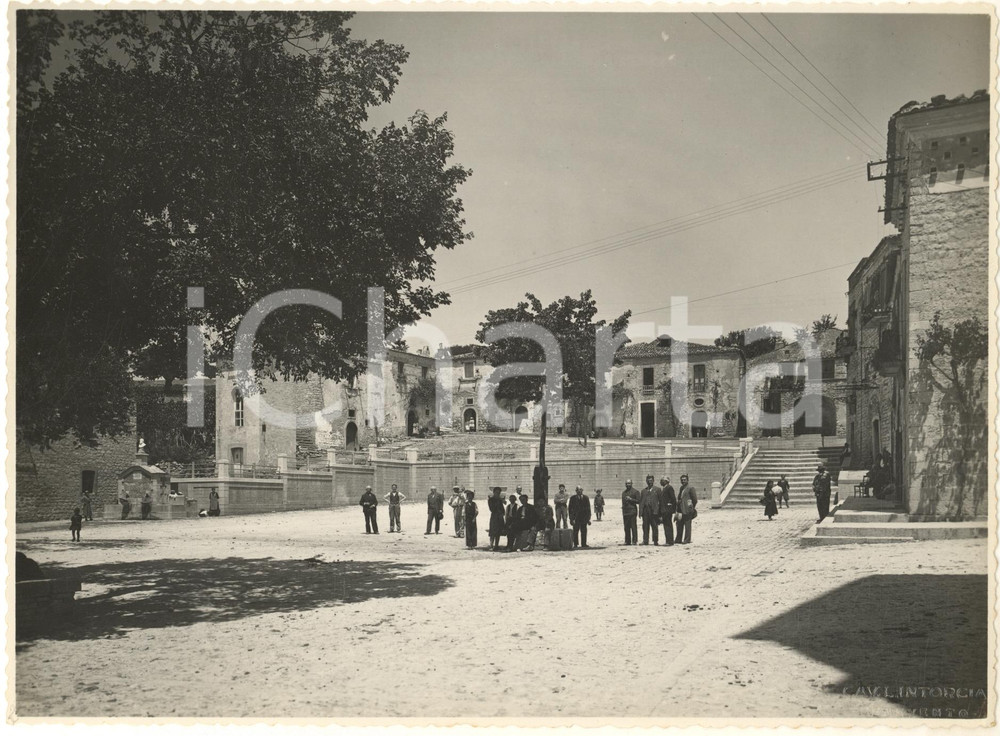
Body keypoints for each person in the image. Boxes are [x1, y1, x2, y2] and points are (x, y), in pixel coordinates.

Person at [639, 474, 661, 545]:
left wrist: (659, 512)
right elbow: (641, 502)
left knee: (654, 526)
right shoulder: (643, 491)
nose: (649, 482)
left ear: (653, 481)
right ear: (646, 481)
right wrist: (640, 512)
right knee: (645, 526)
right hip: (645, 511)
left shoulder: (657, 490)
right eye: (648, 481)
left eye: (651, 480)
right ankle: (645, 540)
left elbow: (660, 501)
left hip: (654, 511)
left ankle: (655, 541)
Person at [675, 475, 697, 544]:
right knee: (679, 524)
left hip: (687, 510)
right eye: (682, 480)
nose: (683, 481)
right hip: (680, 509)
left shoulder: (691, 488)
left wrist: (691, 507)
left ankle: (687, 539)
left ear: (687, 480)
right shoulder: (681, 488)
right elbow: (679, 497)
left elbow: (694, 499)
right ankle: (678, 539)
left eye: (684, 480)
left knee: (687, 525)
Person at [621, 479, 640, 545]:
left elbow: (639, 501)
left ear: (632, 483)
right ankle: (627, 541)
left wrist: (631, 499)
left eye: (629, 483)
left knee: (633, 527)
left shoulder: (635, 492)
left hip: (632, 511)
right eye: (626, 483)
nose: (627, 485)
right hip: (626, 512)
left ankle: (634, 541)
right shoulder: (624, 493)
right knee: (626, 527)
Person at [659, 476, 676, 545]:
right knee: (666, 526)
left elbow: (673, 499)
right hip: (664, 510)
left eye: (662, 481)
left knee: (668, 525)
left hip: (667, 511)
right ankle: (668, 540)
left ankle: (670, 541)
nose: (660, 482)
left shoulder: (669, 488)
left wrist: (670, 507)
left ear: (666, 481)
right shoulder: (664, 488)